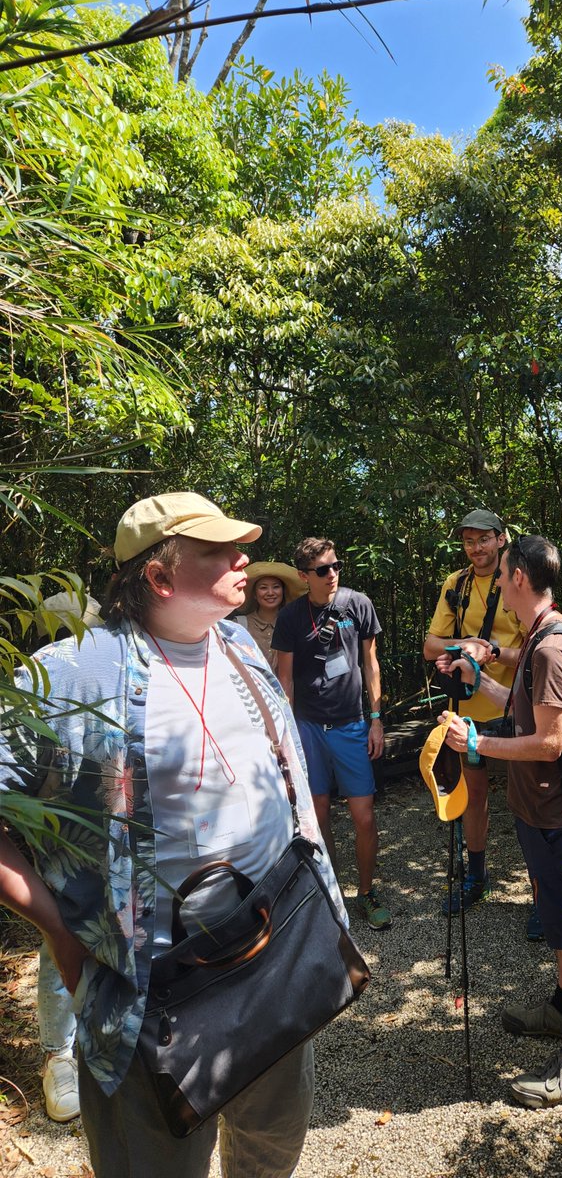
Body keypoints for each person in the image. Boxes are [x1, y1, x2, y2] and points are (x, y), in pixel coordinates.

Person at [0, 492, 344, 1177]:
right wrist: (63, 932)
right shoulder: (69, 676)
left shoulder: (241, 641)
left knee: (270, 1149)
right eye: (218, 548)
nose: (242, 557)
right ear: (160, 578)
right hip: (153, 1001)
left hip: (275, 967)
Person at [439, 535, 562, 1109]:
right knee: (561, 920)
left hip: (557, 809)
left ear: (517, 578)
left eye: (503, 571)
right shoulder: (538, 637)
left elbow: (552, 742)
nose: (498, 581)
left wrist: (476, 740)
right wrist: (474, 680)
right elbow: (522, 711)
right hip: (537, 809)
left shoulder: (554, 647)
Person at [273, 538, 392, 931]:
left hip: (352, 725)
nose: (332, 574)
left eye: (336, 566)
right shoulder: (291, 617)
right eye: (322, 570)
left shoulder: (358, 604)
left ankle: (367, 891)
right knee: (317, 812)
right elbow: (284, 679)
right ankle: (331, 886)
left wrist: (376, 718)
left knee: (364, 815)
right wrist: (284, 737)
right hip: (308, 727)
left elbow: (370, 664)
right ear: (304, 576)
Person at [423, 510, 525, 921]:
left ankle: (540, 888)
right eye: (468, 540)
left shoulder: (520, 577)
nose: (476, 548)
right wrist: (464, 644)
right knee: (474, 796)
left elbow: (544, 647)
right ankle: (477, 878)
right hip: (467, 711)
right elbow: (432, 645)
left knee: (528, 798)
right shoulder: (457, 584)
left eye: (483, 539)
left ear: (501, 540)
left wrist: (494, 652)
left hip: (517, 708)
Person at [33, 591, 104, 1123]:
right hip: (59, 830)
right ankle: (59, 1052)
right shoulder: (37, 676)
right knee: (60, 932)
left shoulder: (120, 661)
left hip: (121, 825)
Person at [234, 560, 305, 666]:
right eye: (263, 588)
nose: (270, 593)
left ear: (283, 591)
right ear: (254, 593)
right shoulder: (239, 625)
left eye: (276, 587)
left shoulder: (296, 624)